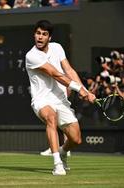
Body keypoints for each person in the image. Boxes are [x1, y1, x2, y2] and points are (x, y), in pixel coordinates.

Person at [25, 20, 95, 175]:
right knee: (51, 117)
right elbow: (55, 74)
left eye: (44, 34)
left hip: (60, 99)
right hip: (42, 99)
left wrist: (85, 90)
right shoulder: (31, 56)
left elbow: (68, 70)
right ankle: (57, 164)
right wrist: (78, 89)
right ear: (34, 35)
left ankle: (63, 152)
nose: (40, 37)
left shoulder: (57, 48)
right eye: (38, 33)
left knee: (76, 139)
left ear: (49, 37)